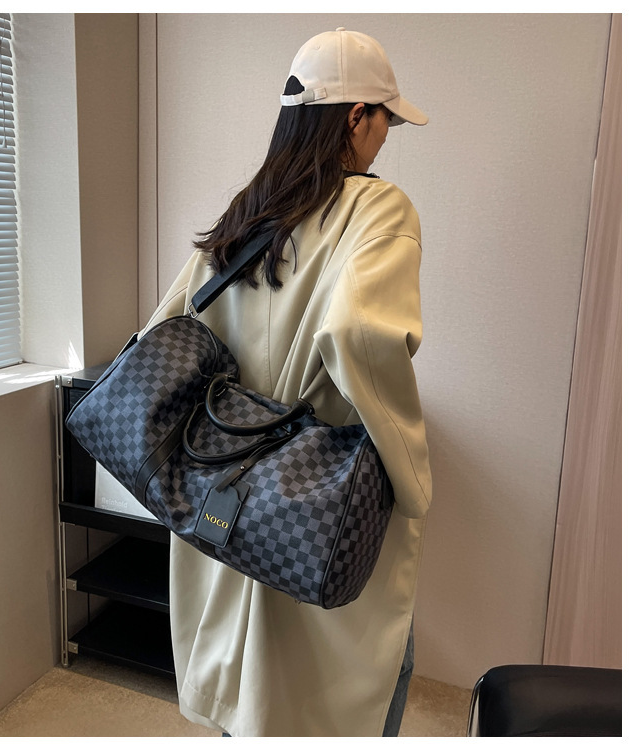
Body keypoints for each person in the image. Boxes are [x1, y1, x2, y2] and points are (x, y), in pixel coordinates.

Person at [142, 27, 432, 737]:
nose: (386, 137)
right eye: (385, 119)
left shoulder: (251, 208)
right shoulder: (379, 209)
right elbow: (360, 335)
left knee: (244, 681)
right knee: (359, 676)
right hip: (310, 497)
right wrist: (412, 477)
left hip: (220, 479)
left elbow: (168, 329)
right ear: (355, 116)